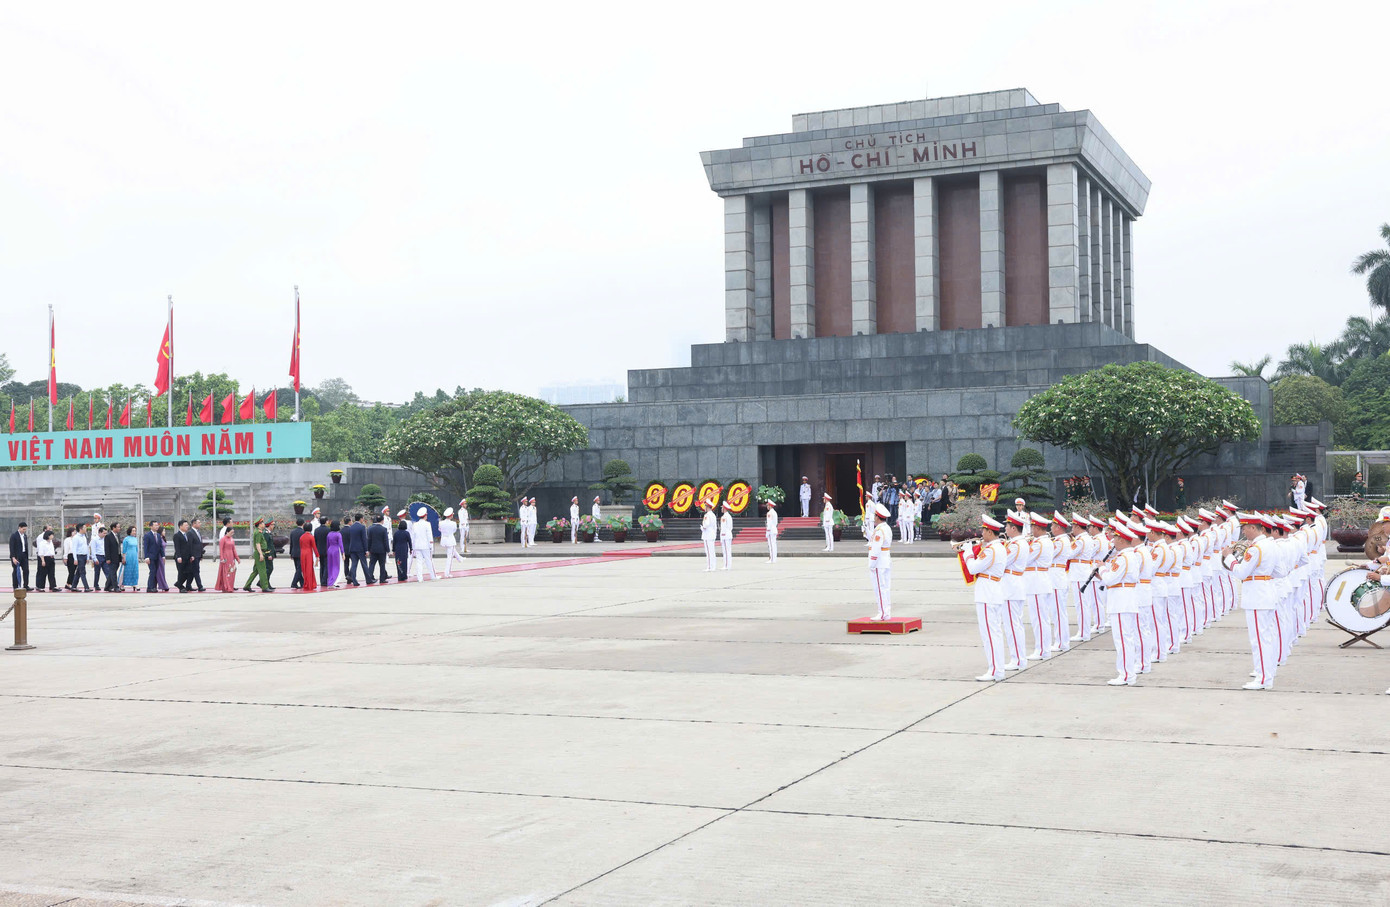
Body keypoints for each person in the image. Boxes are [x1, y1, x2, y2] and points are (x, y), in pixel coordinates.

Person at [1224, 513, 1278, 690]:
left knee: (1259, 640)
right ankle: (1267, 674)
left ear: (1253, 528)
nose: (1243, 532)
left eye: (1245, 528)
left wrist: (1229, 557)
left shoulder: (1256, 549)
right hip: (1266, 592)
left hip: (1257, 596)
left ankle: (1263, 679)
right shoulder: (1269, 544)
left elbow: (1240, 572)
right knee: (1266, 638)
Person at [962, 514, 1008, 681]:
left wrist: (968, 553)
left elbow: (973, 568)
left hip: (987, 593)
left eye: (983, 530)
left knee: (990, 633)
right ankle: (997, 668)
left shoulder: (991, 550)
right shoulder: (1000, 547)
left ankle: (995, 670)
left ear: (989, 532)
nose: (982, 533)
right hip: (993, 591)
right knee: (993, 632)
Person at [1100, 521, 1142, 686]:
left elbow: (1110, 578)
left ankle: (1126, 675)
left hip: (1121, 600)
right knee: (1126, 638)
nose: (1113, 541)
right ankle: (1127, 673)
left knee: (1123, 639)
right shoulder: (1129, 555)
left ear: (1122, 540)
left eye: (1116, 537)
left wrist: (1102, 568)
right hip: (1124, 598)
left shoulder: (1123, 557)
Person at [867, 501, 893, 620]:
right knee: (885, 587)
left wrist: (871, 563)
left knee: (879, 588)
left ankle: (882, 613)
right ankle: (886, 612)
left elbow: (876, 548)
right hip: (886, 559)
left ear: (877, 516)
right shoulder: (885, 528)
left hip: (879, 561)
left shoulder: (879, 530)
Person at [242, 519, 271, 593]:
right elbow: (257, 544)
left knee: (255, 571)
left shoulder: (258, 532)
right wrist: (261, 554)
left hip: (259, 553)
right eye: (263, 523)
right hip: (259, 553)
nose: (264, 524)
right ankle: (265, 587)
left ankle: (247, 586)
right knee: (263, 571)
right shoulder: (258, 532)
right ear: (259, 524)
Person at [411, 507, 436, 581]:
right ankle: (433, 576)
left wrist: (413, 546)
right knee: (429, 561)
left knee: (419, 562)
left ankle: (420, 578)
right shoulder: (427, 524)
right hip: (426, 546)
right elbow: (429, 535)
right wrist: (431, 546)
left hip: (417, 545)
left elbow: (413, 536)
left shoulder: (415, 524)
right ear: (425, 515)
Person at [367, 515, 390, 584]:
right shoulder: (384, 529)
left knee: (372, 564)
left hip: (373, 549)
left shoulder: (370, 529)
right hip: (382, 550)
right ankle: (382, 579)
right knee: (382, 565)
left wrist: (368, 549)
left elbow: (369, 540)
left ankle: (369, 578)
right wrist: (388, 550)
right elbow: (385, 540)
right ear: (382, 521)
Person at [345, 515, 368, 586]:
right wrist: (366, 550)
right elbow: (364, 539)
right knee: (364, 564)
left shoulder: (351, 527)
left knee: (354, 565)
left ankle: (354, 581)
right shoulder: (362, 527)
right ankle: (368, 579)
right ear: (361, 519)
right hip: (360, 549)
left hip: (352, 548)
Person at [215, 524, 239, 592]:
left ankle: (231, 586)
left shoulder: (232, 539)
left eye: (233, 533)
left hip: (231, 557)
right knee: (226, 573)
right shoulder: (223, 539)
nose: (232, 534)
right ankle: (226, 587)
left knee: (232, 572)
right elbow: (221, 549)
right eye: (231, 532)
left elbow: (234, 549)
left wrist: (237, 558)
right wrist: (222, 558)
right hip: (225, 557)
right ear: (227, 532)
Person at [172, 520, 193, 593]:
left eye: (187, 525)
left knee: (189, 572)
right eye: (185, 525)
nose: (187, 526)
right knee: (181, 572)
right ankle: (181, 587)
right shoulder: (177, 535)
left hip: (187, 557)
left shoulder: (187, 535)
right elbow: (177, 547)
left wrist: (191, 555)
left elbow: (189, 546)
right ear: (181, 526)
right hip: (180, 557)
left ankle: (178, 583)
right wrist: (178, 556)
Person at [8, 521, 30, 592]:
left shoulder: (25, 536)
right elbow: (11, 547)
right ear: (19, 528)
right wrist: (13, 558)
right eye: (23, 529)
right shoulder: (14, 536)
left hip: (24, 556)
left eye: (25, 529)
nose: (24, 531)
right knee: (16, 571)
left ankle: (26, 585)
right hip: (16, 556)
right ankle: (15, 586)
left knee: (26, 570)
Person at [71, 522, 92, 592]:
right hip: (79, 556)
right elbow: (74, 549)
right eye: (84, 528)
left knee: (78, 572)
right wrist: (75, 559)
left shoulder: (84, 536)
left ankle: (73, 586)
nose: (86, 529)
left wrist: (87, 557)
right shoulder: (76, 538)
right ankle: (86, 587)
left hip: (84, 556)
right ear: (80, 529)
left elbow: (86, 547)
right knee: (82, 572)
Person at [298, 522, 318, 592]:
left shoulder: (301, 537)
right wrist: (317, 556)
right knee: (309, 569)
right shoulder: (311, 537)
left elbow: (300, 546)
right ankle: (310, 584)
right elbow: (314, 547)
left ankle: (306, 583)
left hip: (302, 553)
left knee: (304, 569)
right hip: (308, 553)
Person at [102, 525, 122, 592]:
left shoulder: (118, 535)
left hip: (117, 557)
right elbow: (106, 548)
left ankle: (107, 586)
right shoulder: (108, 536)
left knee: (112, 572)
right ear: (113, 528)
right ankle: (115, 587)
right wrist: (107, 558)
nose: (119, 528)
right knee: (113, 573)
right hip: (111, 558)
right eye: (118, 527)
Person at [188, 518, 206, 592]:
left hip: (198, 555)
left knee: (193, 571)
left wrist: (201, 555)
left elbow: (199, 544)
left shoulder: (198, 532)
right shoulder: (190, 533)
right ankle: (200, 586)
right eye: (198, 523)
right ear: (194, 524)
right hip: (194, 556)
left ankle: (188, 585)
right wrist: (191, 555)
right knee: (196, 571)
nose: (200, 524)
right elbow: (190, 545)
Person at [288, 519, 306, 589]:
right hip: (301, 553)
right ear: (303, 524)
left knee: (298, 568)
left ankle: (302, 583)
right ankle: (294, 583)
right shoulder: (303, 532)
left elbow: (291, 544)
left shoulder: (292, 532)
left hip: (294, 552)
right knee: (299, 569)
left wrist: (290, 553)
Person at [700, 500, 717, 572]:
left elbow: (706, 525)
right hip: (712, 534)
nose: (704, 507)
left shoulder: (707, 515)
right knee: (712, 551)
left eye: (705, 506)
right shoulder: (713, 515)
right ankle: (713, 566)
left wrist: (702, 527)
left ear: (707, 507)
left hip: (707, 535)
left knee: (708, 552)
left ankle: (709, 567)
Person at [314, 518, 331, 587]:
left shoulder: (316, 530)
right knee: (327, 565)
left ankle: (321, 580)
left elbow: (315, 541)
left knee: (322, 565)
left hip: (319, 550)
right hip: (327, 550)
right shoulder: (328, 530)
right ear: (326, 521)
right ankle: (324, 581)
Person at [121, 527, 140, 591]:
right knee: (126, 570)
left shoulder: (135, 539)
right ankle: (122, 584)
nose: (134, 532)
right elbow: (124, 549)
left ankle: (135, 583)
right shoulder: (126, 539)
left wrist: (137, 557)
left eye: (135, 531)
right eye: (133, 531)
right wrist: (124, 558)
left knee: (135, 570)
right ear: (130, 531)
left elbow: (136, 549)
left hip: (134, 556)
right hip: (128, 556)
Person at [326, 521, 344, 587]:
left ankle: (330, 581)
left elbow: (327, 544)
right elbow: (341, 544)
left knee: (330, 566)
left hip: (330, 550)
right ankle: (333, 581)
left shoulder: (329, 534)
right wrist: (343, 553)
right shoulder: (338, 534)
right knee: (336, 566)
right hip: (336, 550)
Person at [262, 520, 277, 590]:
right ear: (269, 525)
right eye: (273, 524)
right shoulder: (266, 533)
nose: (274, 526)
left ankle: (267, 584)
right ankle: (263, 582)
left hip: (270, 553)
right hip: (268, 554)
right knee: (269, 568)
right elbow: (266, 545)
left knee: (269, 568)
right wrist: (268, 554)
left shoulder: (268, 533)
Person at [719, 500, 734, 570]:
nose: (721, 509)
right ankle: (727, 565)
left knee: (726, 551)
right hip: (727, 535)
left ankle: (726, 565)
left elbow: (725, 527)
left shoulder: (725, 517)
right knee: (727, 551)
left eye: (722, 508)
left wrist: (723, 534)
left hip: (725, 535)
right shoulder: (728, 516)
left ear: (724, 508)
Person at [62, 526, 78, 590]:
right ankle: (69, 584)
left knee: (74, 571)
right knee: (71, 571)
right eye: (73, 532)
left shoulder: (76, 539)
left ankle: (70, 583)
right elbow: (66, 549)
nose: (75, 533)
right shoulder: (67, 540)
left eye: (75, 532)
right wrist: (65, 557)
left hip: (75, 555)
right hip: (70, 556)